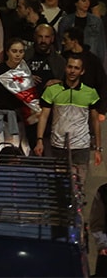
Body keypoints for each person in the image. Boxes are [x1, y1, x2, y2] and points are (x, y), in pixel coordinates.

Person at [36, 53, 103, 183]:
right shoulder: (52, 90)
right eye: (70, 67)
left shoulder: (90, 93)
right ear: (65, 68)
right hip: (58, 145)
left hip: (81, 146)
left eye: (76, 68)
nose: (72, 71)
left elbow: (95, 121)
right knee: (59, 185)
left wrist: (98, 148)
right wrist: (39, 140)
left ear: (82, 71)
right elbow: (43, 116)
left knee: (78, 186)